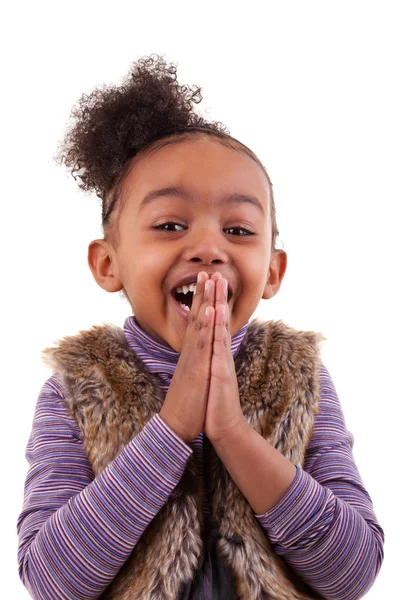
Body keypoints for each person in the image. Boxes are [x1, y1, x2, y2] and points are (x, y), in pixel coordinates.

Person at [17, 54, 384, 600]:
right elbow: (51, 581)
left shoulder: (302, 381)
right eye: (170, 224)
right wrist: (173, 427)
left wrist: (233, 433)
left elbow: (352, 575)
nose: (209, 249)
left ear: (274, 271)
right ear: (107, 263)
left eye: (238, 229)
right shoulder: (73, 392)